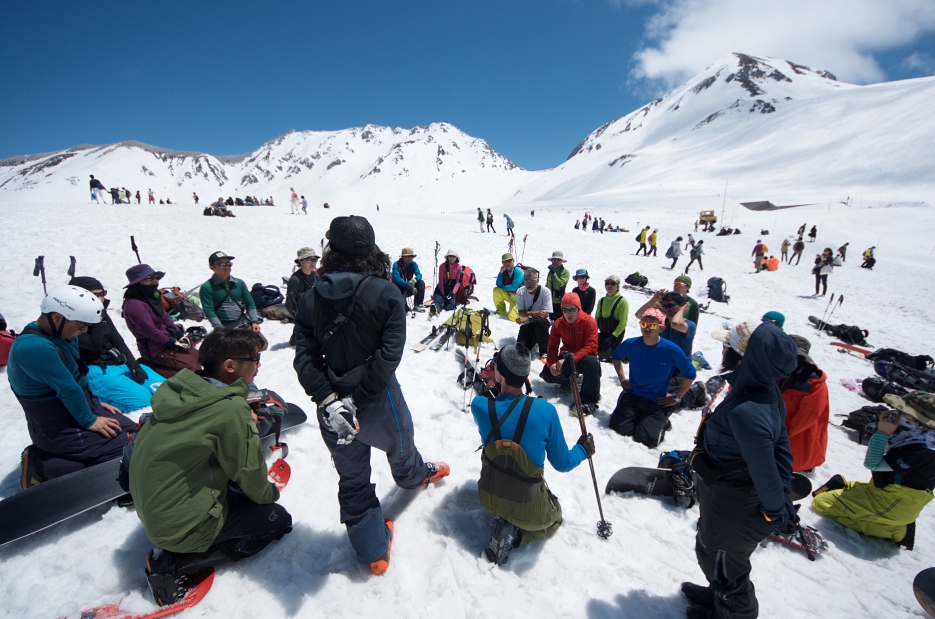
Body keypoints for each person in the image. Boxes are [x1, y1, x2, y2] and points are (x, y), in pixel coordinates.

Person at [293, 215, 449, 575]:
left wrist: (331, 401)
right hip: (376, 400)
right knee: (401, 444)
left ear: (331, 250)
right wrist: (358, 401)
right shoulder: (386, 293)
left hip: (332, 405)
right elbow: (388, 356)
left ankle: (373, 553)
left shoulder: (310, 298)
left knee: (352, 478)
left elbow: (305, 357)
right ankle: (413, 478)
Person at [132, 329, 292, 606]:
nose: (258, 365)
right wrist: (269, 496)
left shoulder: (182, 390)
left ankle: (181, 543)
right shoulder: (228, 410)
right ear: (230, 366)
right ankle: (174, 563)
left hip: (157, 511)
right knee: (276, 520)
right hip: (179, 528)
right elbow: (249, 474)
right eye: (254, 359)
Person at [681, 323, 797, 619]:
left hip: (737, 503)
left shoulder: (750, 409)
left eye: (728, 347)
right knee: (710, 550)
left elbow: (766, 468)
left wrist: (779, 508)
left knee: (726, 565)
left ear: (746, 358)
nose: (723, 351)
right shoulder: (758, 388)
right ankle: (718, 596)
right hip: (722, 495)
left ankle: (732, 610)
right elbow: (781, 442)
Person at [472, 343, 593, 565]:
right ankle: (515, 535)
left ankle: (504, 520)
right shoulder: (545, 411)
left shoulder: (480, 406)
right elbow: (563, 463)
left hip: (488, 497)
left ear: (498, 373)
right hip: (528, 508)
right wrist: (583, 449)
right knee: (555, 517)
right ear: (526, 374)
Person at [9, 286, 137, 485]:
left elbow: (78, 377)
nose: (83, 332)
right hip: (57, 426)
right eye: (81, 326)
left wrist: (93, 404)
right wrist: (89, 420)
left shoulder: (62, 335)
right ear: (59, 318)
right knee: (124, 449)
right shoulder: (34, 347)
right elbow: (67, 388)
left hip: (75, 409)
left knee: (135, 432)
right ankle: (40, 466)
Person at [812, 391, 935, 551]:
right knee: (849, 487)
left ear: (920, 421)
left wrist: (882, 433)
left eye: (904, 412)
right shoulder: (919, 436)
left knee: (822, 503)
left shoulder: (921, 450)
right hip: (889, 493)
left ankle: (896, 530)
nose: (897, 414)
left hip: (892, 503)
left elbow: (873, 463)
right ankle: (893, 521)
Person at [70, 276, 164, 412]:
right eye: (94, 295)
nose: (100, 299)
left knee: (167, 392)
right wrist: (96, 316)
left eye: (102, 294)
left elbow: (118, 341)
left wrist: (134, 366)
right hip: (97, 370)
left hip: (120, 363)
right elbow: (94, 345)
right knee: (147, 405)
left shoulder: (102, 313)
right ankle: (94, 404)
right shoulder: (70, 321)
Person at [608, 307, 696, 448]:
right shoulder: (631, 344)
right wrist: (622, 379)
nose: (647, 328)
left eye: (652, 325)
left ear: (661, 328)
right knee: (619, 429)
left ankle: (663, 421)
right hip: (633, 394)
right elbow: (616, 357)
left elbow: (690, 374)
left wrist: (676, 397)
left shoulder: (671, 349)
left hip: (657, 400)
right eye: (643, 324)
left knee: (646, 439)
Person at [122, 264, 202, 378]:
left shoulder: (152, 297)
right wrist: (170, 342)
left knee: (201, 359)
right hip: (156, 349)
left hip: (167, 340)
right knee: (193, 369)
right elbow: (150, 330)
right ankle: (152, 368)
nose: (154, 281)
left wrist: (179, 334)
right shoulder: (135, 305)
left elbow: (165, 317)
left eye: (156, 277)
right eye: (148, 279)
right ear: (136, 283)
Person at [539, 293, 601, 415]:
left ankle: (590, 399)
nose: (569, 313)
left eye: (572, 309)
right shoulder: (558, 323)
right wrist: (551, 363)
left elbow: (592, 347)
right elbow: (552, 346)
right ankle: (570, 381)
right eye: (565, 309)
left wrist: (570, 360)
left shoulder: (589, 322)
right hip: (566, 357)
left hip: (583, 358)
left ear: (579, 308)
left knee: (593, 362)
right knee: (547, 374)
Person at [780, 335, 829, 472]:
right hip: (774, 439)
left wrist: (773, 436)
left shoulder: (814, 384)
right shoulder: (778, 371)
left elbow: (805, 419)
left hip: (797, 451)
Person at [200, 252, 262, 331]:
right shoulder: (207, 287)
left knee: (263, 343)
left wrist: (254, 321)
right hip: (222, 326)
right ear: (212, 267)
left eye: (228, 264)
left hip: (243, 323)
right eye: (221, 264)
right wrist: (219, 328)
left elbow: (249, 302)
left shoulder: (239, 283)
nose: (226, 267)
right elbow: (208, 310)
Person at [636, 290, 696, 356]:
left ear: (681, 305)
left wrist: (682, 310)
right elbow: (639, 315)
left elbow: (675, 323)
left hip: (679, 365)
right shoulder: (663, 321)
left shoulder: (689, 325)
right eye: (664, 306)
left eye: (671, 306)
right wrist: (654, 300)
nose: (667, 309)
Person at [515, 268, 552, 359]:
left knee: (539, 322)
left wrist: (529, 317)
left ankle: (544, 350)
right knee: (521, 347)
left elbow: (545, 314)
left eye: (532, 280)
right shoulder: (520, 291)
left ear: (537, 280)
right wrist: (536, 313)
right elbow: (521, 312)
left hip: (541, 322)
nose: (529, 284)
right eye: (526, 281)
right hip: (528, 322)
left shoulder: (545, 291)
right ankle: (535, 338)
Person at [286, 246, 321, 331]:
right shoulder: (295, 279)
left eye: (315, 260)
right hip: (302, 319)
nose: (313, 263)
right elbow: (289, 304)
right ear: (300, 261)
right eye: (309, 260)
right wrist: (300, 319)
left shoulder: (316, 276)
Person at [595, 275, 628, 362]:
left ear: (617, 287)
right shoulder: (601, 301)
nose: (609, 286)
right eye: (607, 283)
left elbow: (623, 323)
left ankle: (625, 354)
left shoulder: (622, 302)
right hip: (603, 334)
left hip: (615, 336)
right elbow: (596, 319)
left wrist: (612, 338)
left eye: (612, 284)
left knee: (605, 358)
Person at [391, 247, 426, 312]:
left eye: (411, 256)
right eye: (407, 256)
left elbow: (419, 275)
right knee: (403, 310)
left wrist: (414, 280)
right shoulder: (396, 265)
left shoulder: (414, 264)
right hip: (399, 288)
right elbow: (395, 277)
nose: (410, 258)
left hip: (410, 286)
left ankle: (418, 304)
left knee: (421, 283)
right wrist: (407, 284)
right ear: (403, 257)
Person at [493, 252, 524, 321]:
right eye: (504, 262)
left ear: (513, 261)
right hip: (510, 295)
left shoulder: (518, 271)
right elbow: (498, 284)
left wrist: (504, 287)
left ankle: (525, 314)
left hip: (519, 298)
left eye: (509, 261)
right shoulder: (504, 271)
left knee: (512, 318)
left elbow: (514, 287)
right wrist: (500, 272)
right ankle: (501, 311)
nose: (507, 263)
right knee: (496, 290)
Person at [430, 249, 463, 315]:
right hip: (442, 287)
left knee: (450, 307)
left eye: (453, 256)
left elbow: (458, 282)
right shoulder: (442, 266)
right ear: (447, 257)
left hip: (451, 289)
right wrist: (442, 294)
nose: (451, 258)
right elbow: (441, 281)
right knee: (438, 300)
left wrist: (453, 292)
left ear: (456, 258)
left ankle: (442, 304)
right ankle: (435, 308)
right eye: (450, 256)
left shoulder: (459, 267)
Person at [545, 251, 570, 321]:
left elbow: (560, 285)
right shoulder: (550, 272)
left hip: (558, 302)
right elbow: (548, 285)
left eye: (557, 260)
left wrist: (554, 273)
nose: (554, 262)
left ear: (561, 261)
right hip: (549, 301)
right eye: (553, 260)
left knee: (558, 322)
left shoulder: (565, 272)